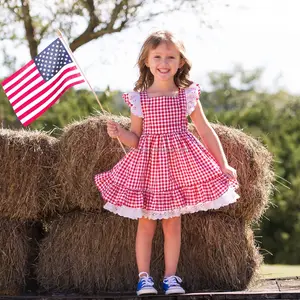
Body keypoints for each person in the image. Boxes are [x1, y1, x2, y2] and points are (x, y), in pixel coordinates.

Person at [94, 30, 240, 296]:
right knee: (147, 222)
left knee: (173, 223)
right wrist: (119, 133)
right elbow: (136, 139)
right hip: (149, 168)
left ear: (181, 62)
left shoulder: (187, 95)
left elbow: (206, 131)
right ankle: (144, 278)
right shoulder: (139, 99)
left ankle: (171, 278)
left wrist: (224, 163)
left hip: (178, 168)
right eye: (158, 56)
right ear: (147, 62)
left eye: (171, 57)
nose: (164, 62)